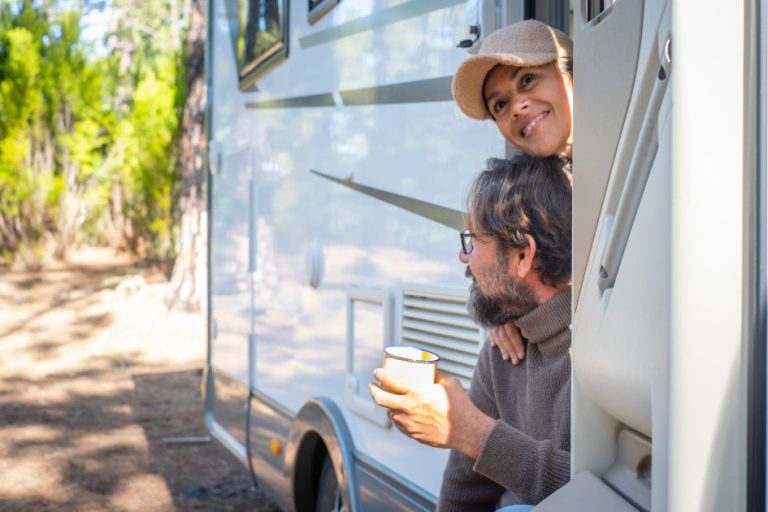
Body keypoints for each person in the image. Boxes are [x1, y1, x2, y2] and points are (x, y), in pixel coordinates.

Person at [370, 155, 572, 510]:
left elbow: (607, 495)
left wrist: (472, 433)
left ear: (523, 255)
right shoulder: (503, 348)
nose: (464, 258)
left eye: (473, 241)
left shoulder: (596, 352)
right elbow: (464, 488)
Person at [452, 19, 573, 365]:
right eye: (500, 105)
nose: (517, 107)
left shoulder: (627, 155)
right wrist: (505, 310)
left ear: (569, 75)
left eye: (528, 79)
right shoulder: (535, 176)